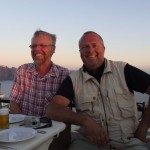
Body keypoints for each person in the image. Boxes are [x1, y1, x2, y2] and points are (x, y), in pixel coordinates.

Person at [45, 31, 150, 150]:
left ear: (104, 49)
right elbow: (52, 109)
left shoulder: (123, 70)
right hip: (89, 144)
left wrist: (143, 128)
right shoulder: (73, 79)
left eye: (94, 45)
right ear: (80, 52)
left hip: (128, 143)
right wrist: (86, 121)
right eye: (84, 47)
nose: (90, 50)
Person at [9, 30, 70, 116]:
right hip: (25, 126)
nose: (37, 49)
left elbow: (65, 110)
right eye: (33, 46)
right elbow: (13, 102)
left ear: (53, 49)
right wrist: (23, 124)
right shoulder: (22, 70)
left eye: (42, 45)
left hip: (52, 128)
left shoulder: (64, 75)